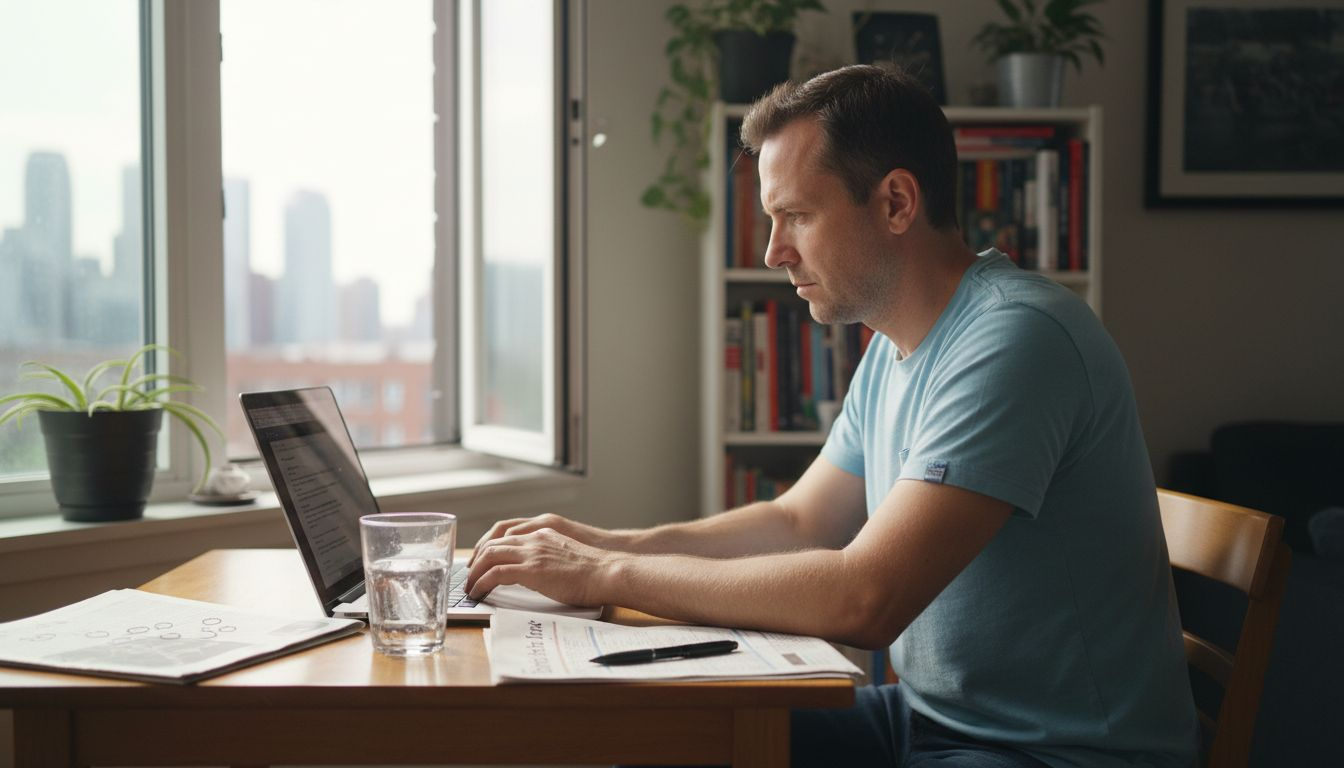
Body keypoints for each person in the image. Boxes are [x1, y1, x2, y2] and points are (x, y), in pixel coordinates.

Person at [466, 65, 1199, 768]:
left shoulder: (1017, 338)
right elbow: (799, 522)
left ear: (896, 203)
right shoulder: (895, 347)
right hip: (931, 719)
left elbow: (866, 597)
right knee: (668, 742)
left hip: (1054, 753)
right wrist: (606, 541)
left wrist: (607, 573)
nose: (773, 252)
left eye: (797, 216)